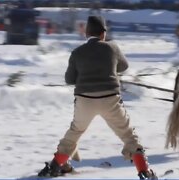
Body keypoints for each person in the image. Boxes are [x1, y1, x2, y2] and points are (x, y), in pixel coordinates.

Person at [38, 16, 157, 180]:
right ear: (103, 33)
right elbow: (124, 66)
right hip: (110, 99)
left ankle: (55, 166)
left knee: (75, 131)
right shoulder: (112, 47)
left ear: (87, 34)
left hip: (84, 100)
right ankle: (144, 171)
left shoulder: (77, 52)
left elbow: (69, 79)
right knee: (128, 135)